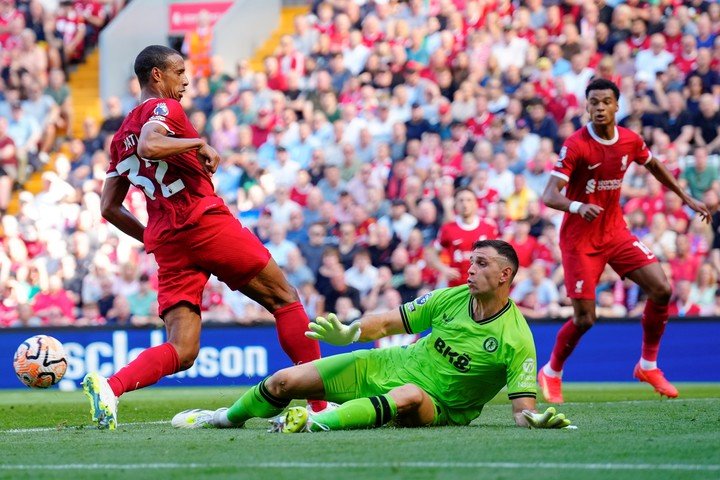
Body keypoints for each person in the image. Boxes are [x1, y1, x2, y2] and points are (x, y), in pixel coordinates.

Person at [82, 45, 324, 430]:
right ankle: (320, 407)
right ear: (156, 75)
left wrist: (152, 236)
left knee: (183, 349)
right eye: (179, 72)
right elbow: (152, 143)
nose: (186, 80)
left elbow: (109, 208)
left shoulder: (119, 138)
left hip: (169, 241)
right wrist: (198, 143)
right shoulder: (164, 111)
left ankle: (111, 387)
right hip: (204, 221)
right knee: (284, 299)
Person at [171, 240, 572, 432]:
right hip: (387, 365)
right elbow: (388, 323)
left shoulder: (517, 338)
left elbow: (523, 409)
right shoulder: (451, 298)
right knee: (285, 380)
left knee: (409, 396)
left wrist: (536, 421)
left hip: (438, 405)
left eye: (481, 264)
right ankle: (222, 419)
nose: (469, 269)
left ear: (505, 275)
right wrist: (350, 332)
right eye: (470, 261)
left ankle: (315, 423)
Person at [537, 78, 711, 404]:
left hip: (615, 232)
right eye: (593, 102)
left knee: (661, 288)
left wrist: (685, 197)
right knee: (586, 318)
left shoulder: (630, 141)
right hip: (580, 240)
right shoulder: (576, 145)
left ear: (618, 106)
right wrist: (577, 206)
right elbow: (549, 195)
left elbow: (655, 165)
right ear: (586, 106)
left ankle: (647, 365)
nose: (599, 108)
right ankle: (552, 371)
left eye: (605, 102)